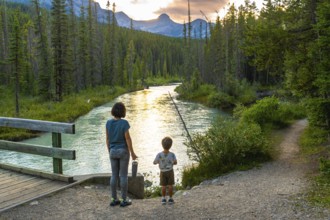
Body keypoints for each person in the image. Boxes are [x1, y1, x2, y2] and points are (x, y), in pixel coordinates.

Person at [106, 102, 138, 207]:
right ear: (123, 112)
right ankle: (124, 200)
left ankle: (114, 199)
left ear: (113, 111)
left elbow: (107, 139)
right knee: (123, 175)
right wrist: (132, 153)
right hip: (123, 151)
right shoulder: (124, 123)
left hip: (113, 151)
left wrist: (109, 150)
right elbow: (128, 139)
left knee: (114, 175)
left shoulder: (108, 123)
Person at [153, 136, 177, 205]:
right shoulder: (172, 155)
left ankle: (163, 198)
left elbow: (154, 162)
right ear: (171, 145)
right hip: (170, 171)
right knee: (170, 185)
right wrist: (172, 162)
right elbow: (175, 162)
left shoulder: (159, 154)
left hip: (162, 172)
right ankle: (170, 198)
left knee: (163, 186)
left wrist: (158, 162)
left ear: (162, 145)